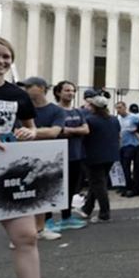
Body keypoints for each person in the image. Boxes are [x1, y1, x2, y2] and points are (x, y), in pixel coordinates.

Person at [0, 35, 76, 278]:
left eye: (6, 57)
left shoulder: (17, 95)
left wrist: (30, 133)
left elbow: (32, 130)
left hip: (1, 171)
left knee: (26, 236)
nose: (0, 61)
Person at [19, 76, 66, 241]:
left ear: (40, 88)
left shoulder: (56, 110)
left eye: (28, 86)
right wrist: (38, 132)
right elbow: (15, 132)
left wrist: (30, 132)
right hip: (22, 157)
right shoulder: (21, 108)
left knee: (42, 194)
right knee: (23, 195)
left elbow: (54, 132)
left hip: (46, 156)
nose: (24, 90)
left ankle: (40, 229)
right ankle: (22, 234)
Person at [75, 95, 120, 223]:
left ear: (93, 107)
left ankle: (104, 213)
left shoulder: (89, 120)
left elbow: (84, 137)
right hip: (111, 155)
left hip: (93, 156)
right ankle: (87, 209)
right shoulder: (114, 119)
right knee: (98, 182)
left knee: (99, 184)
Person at [52, 80, 89, 231]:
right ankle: (47, 219)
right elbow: (54, 131)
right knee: (53, 189)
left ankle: (66, 217)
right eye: (67, 90)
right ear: (58, 92)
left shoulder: (78, 112)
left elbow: (86, 130)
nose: (71, 93)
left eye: (73, 90)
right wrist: (76, 130)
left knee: (70, 189)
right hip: (57, 156)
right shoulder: (54, 111)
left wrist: (68, 130)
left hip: (76, 155)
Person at [116, 101, 139, 197]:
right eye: (117, 108)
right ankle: (125, 186)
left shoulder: (134, 117)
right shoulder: (118, 119)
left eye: (120, 107)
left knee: (128, 165)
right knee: (123, 167)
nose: (118, 110)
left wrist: (136, 130)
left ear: (125, 107)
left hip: (132, 144)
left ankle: (131, 187)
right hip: (122, 145)